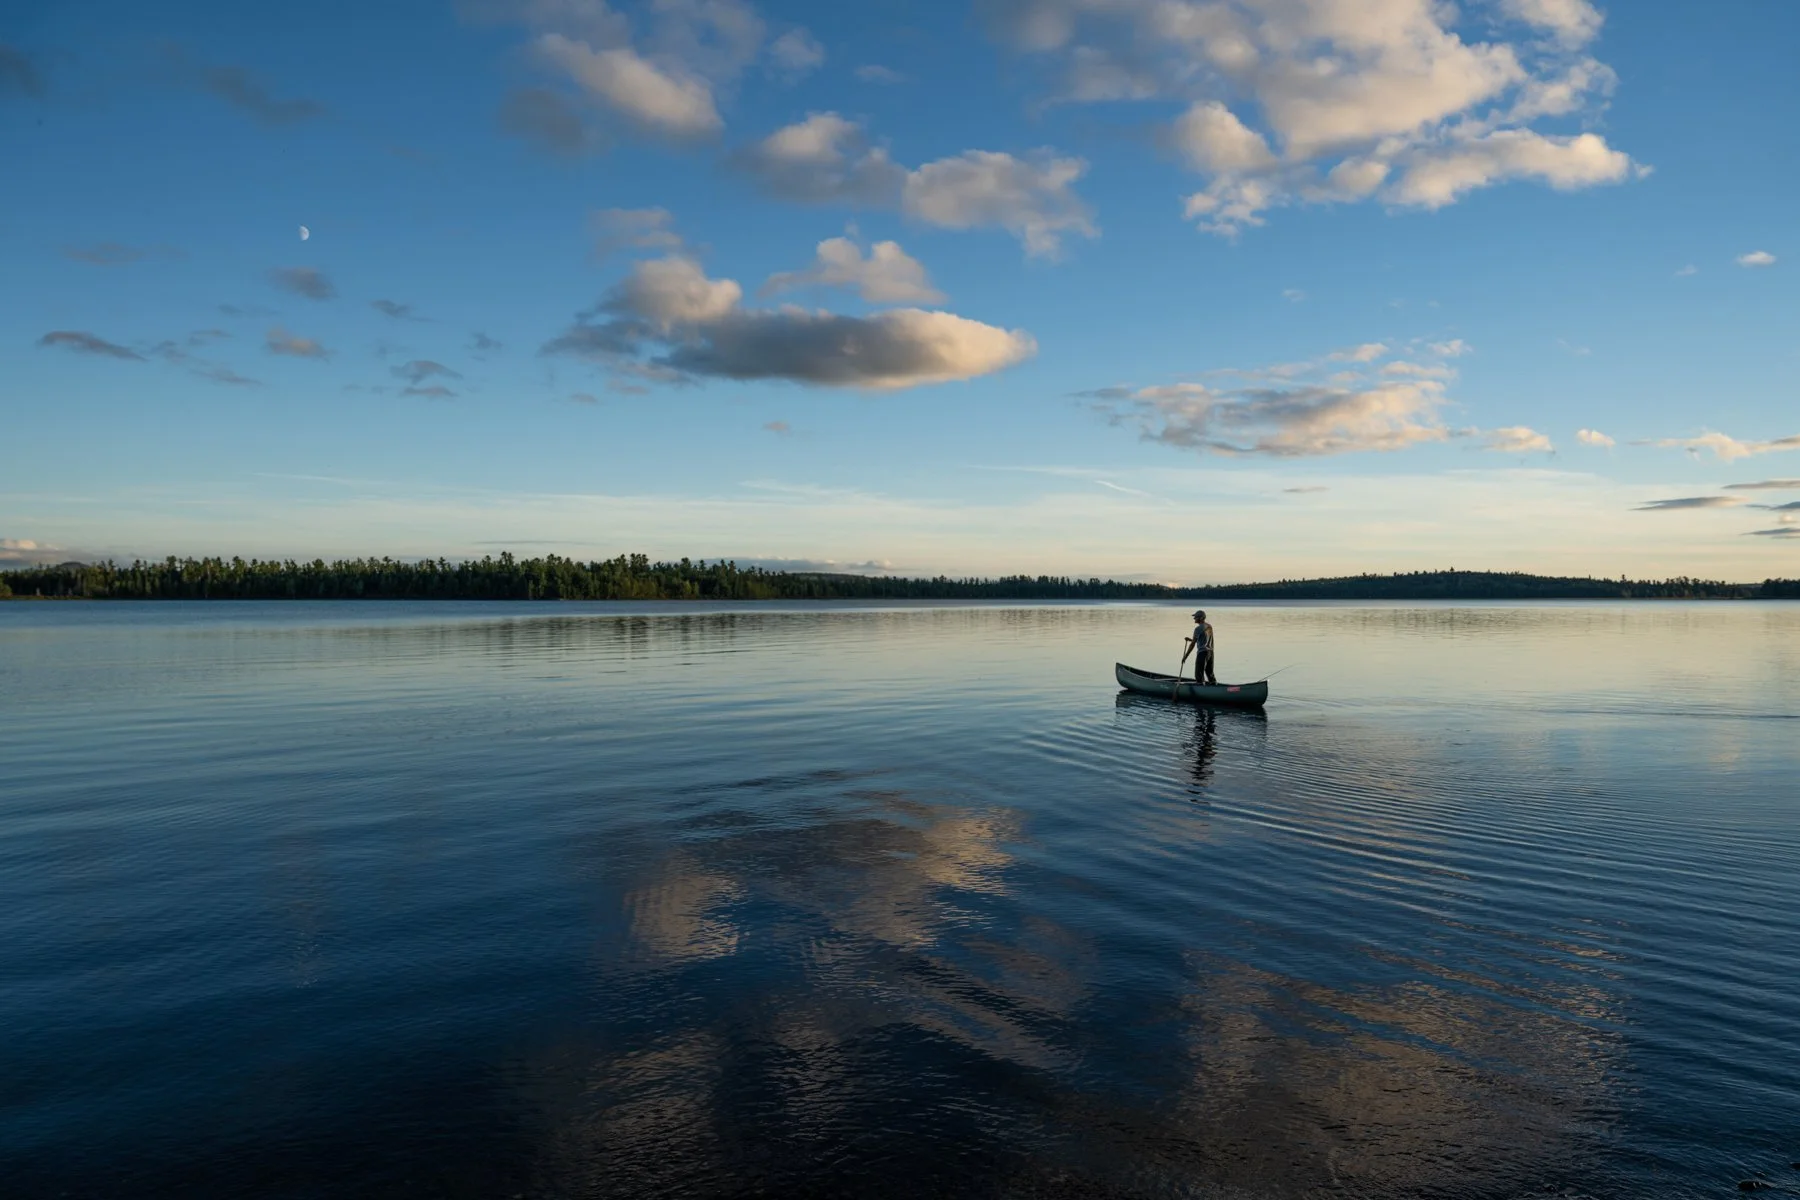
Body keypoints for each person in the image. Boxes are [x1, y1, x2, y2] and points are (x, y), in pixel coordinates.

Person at [1180, 609, 1217, 685]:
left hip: (1202, 653)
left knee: (1199, 675)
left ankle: (1201, 689)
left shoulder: (1198, 629)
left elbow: (1192, 645)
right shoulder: (1209, 626)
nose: (1194, 618)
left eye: (1196, 617)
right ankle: (1214, 687)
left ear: (1201, 618)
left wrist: (1185, 656)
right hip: (1210, 653)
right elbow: (1203, 639)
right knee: (1210, 674)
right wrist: (1190, 639)